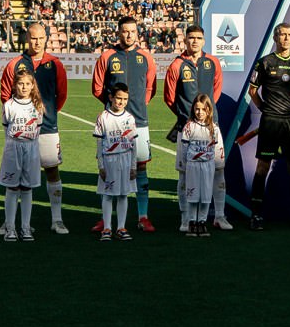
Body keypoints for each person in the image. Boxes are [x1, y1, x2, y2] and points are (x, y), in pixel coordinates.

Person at [1, 22, 74, 234]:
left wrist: (47, 114)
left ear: (47, 39)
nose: (38, 42)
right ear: (27, 39)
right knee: (16, 176)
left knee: (52, 170)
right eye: (33, 38)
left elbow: (61, 95)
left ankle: (57, 219)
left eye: (42, 38)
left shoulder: (55, 64)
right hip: (20, 132)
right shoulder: (15, 64)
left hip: (48, 127)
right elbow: (6, 96)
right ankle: (13, 223)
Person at [91, 17, 158, 234]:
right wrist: (115, 111)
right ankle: (106, 219)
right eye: (124, 31)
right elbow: (98, 87)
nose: (129, 35)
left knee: (140, 168)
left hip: (139, 121)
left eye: (132, 31)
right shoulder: (108, 56)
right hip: (112, 123)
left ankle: (143, 216)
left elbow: (150, 88)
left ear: (137, 33)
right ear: (118, 32)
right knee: (109, 167)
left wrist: (137, 107)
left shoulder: (146, 57)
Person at [247, 23, 290, 230]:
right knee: (263, 166)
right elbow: (253, 91)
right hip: (271, 122)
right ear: (276, 38)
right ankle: (255, 216)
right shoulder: (264, 63)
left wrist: (289, 109)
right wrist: (266, 109)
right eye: (282, 34)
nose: (286, 38)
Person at [0, 71, 44, 241]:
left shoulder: (37, 105)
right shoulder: (9, 105)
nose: (24, 87)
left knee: (27, 188)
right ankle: (10, 228)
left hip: (31, 148)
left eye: (27, 84)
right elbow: (5, 128)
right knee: (12, 187)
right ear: (14, 85)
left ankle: (25, 227)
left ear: (33, 86)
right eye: (20, 83)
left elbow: (38, 129)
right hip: (13, 147)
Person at [174, 95, 225, 237]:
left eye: (203, 109)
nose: (200, 112)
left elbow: (218, 148)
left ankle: (202, 222)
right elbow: (184, 148)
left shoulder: (213, 129)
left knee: (205, 195)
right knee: (192, 194)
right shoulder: (189, 127)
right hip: (193, 165)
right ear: (193, 110)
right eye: (197, 109)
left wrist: (219, 164)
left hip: (208, 165)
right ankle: (191, 222)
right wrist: (186, 163)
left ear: (209, 110)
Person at [93, 84, 139, 241]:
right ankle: (107, 228)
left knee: (123, 195)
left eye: (125, 99)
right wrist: (101, 165)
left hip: (125, 160)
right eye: (119, 98)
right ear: (111, 97)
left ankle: (121, 227)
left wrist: (134, 166)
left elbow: (134, 145)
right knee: (107, 194)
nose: (121, 102)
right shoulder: (103, 117)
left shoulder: (129, 118)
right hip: (109, 160)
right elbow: (99, 144)